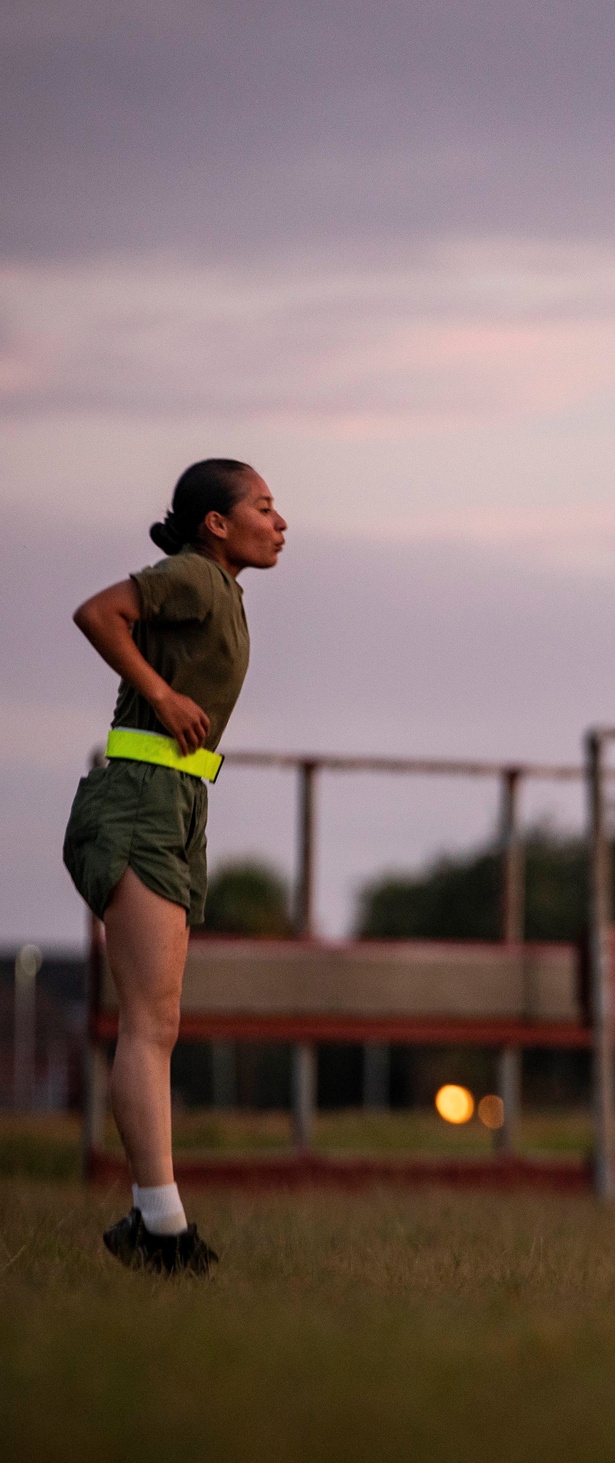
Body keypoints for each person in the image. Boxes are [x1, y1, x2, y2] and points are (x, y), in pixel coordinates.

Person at [64, 459, 287, 1274]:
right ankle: (163, 1233)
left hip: (176, 803)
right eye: (263, 506)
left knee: (159, 1025)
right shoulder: (192, 573)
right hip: (139, 802)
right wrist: (160, 694)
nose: (280, 520)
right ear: (216, 523)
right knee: (150, 1026)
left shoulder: (218, 588)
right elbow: (97, 613)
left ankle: (148, 1222)